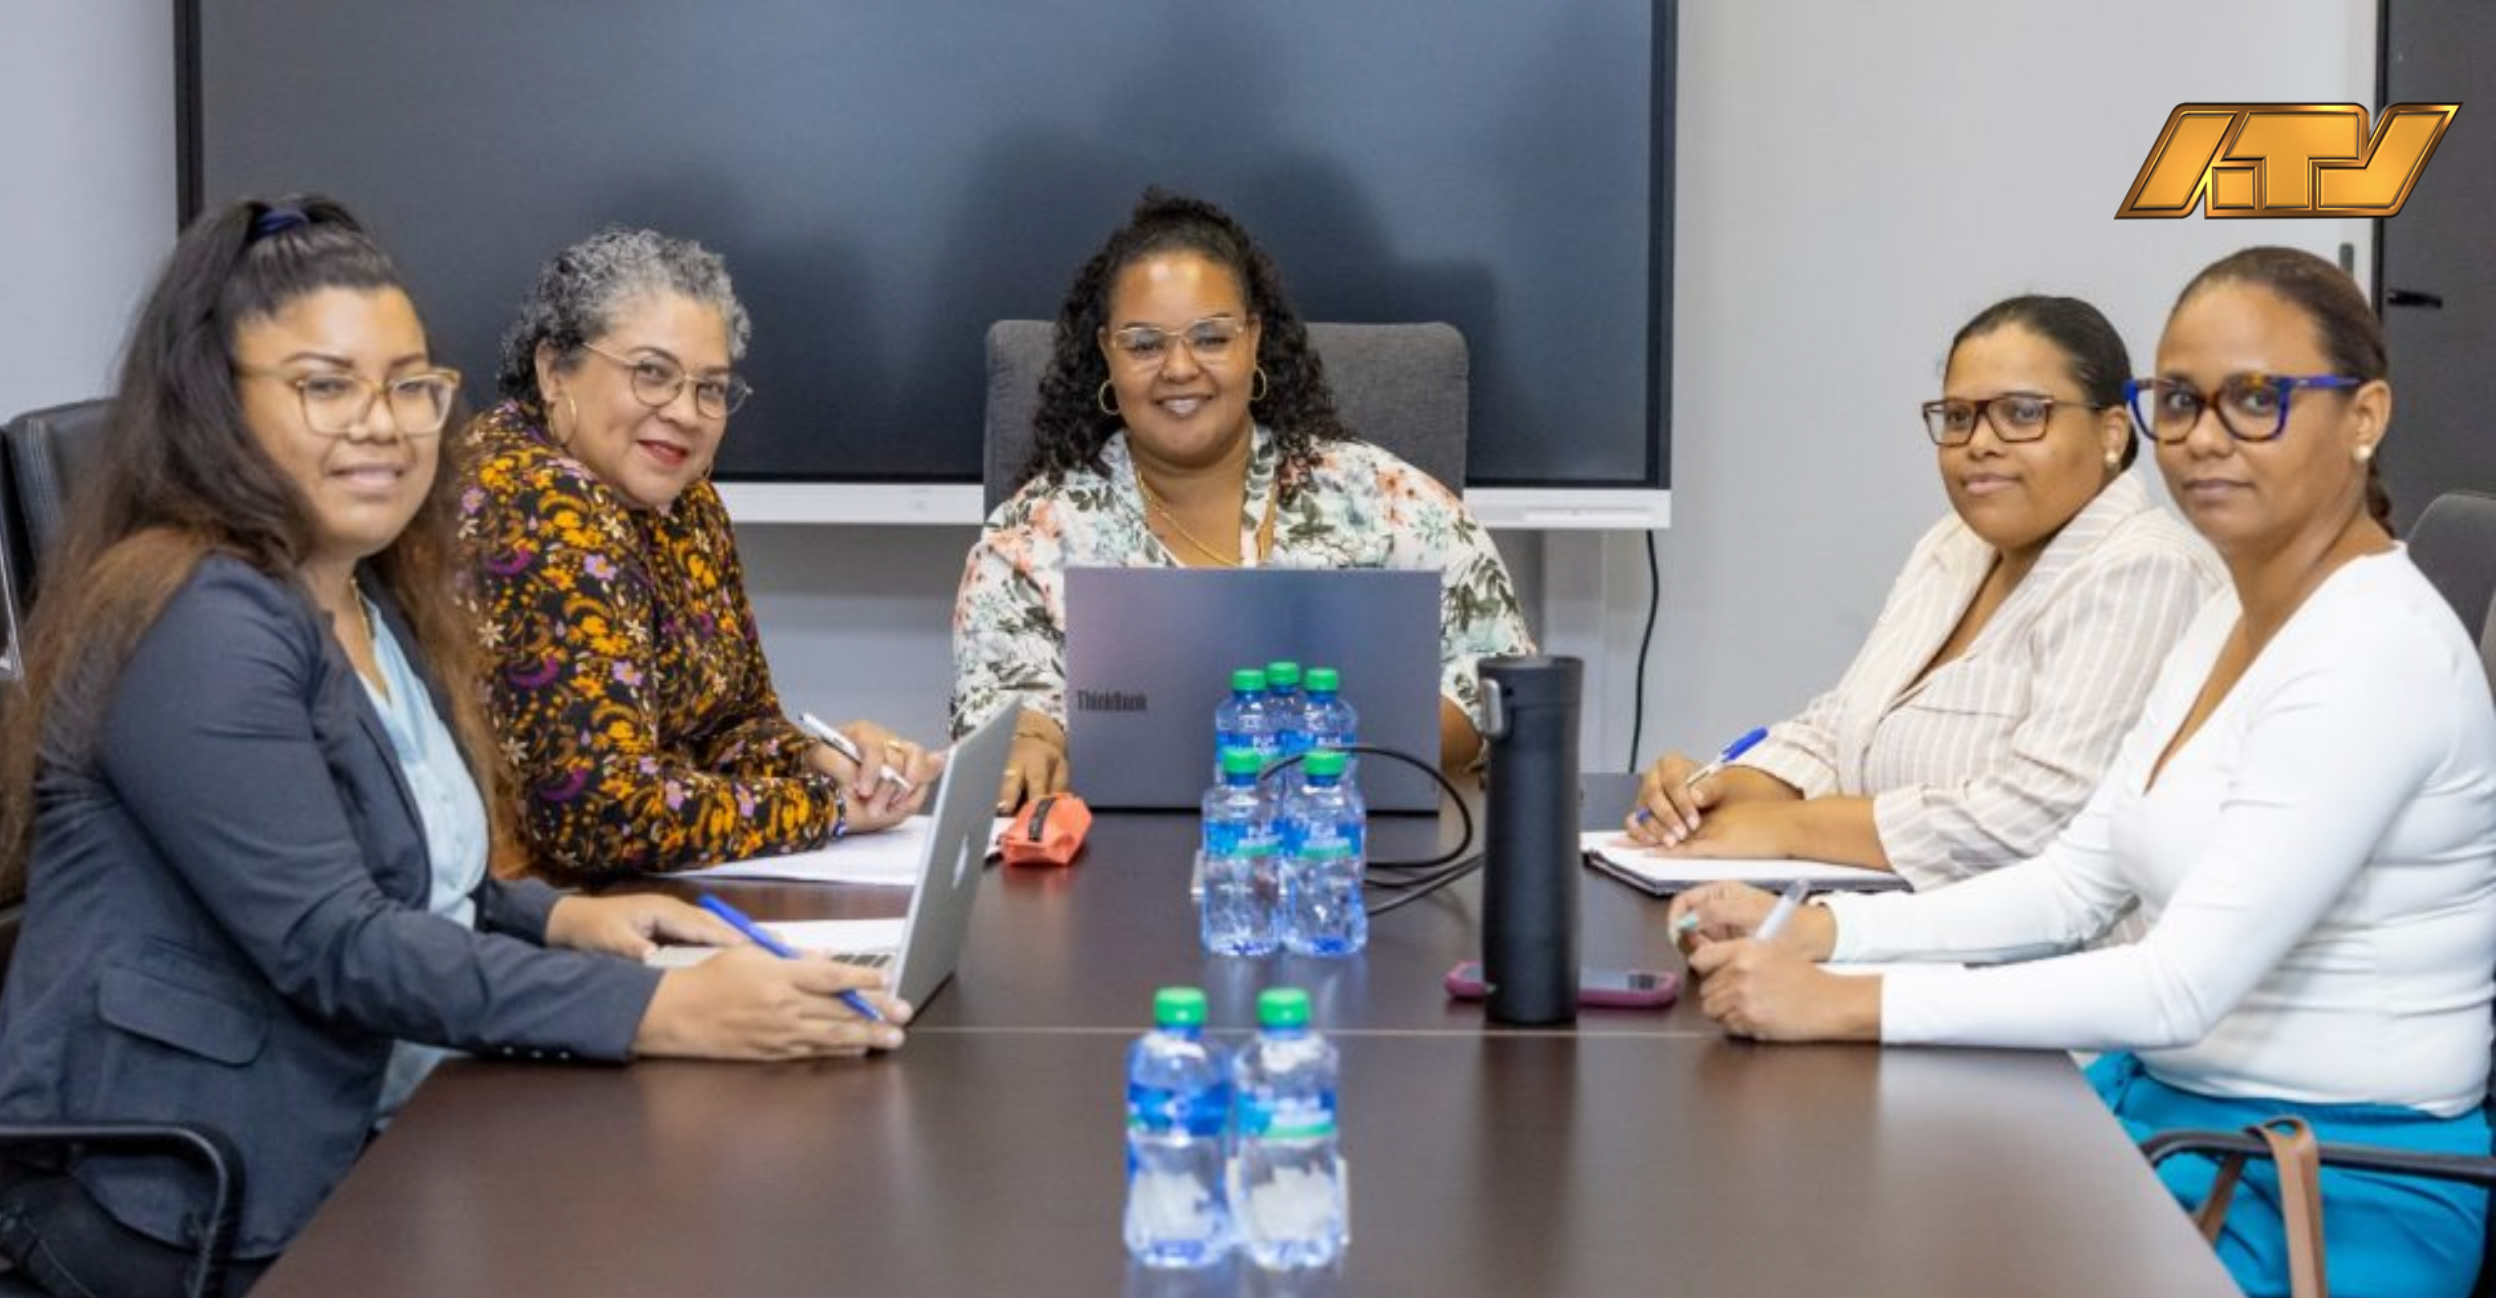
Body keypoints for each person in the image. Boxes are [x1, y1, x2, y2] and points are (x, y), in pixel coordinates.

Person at [0, 197, 909, 1298]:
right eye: (326, 386)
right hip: (189, 1183)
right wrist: (661, 1010)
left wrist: (562, 921)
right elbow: (340, 942)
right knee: (672, 1271)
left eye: (411, 387)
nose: (384, 426)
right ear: (216, 402)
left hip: (364, 1101)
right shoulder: (198, 620)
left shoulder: (363, 584)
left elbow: (401, 865)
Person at [1674, 247, 2494, 1298]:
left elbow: (2178, 988)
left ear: (2364, 417)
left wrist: (1847, 1003)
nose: (2205, 437)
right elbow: (2073, 881)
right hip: (2174, 1129)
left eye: (2257, 399)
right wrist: (1827, 934)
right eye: (2180, 401)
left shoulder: (2372, 651)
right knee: (1826, 1215)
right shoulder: (2236, 608)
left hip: (2328, 1215)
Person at [951, 189, 1535, 810]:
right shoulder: (1031, 535)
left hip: (1353, 845)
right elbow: (1004, 711)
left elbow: (1498, 677)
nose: (1179, 368)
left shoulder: (1381, 498)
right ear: (1107, 354)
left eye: (1210, 338)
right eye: (1145, 344)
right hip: (1109, 855)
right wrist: (1027, 744)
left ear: (1253, 339)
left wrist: (1333, 750)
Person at [1630, 296, 2221, 888]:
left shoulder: (2148, 571)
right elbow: (1843, 727)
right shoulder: (1952, 547)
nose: (1979, 443)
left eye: (2021, 414)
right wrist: (1731, 787)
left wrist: (1788, 826)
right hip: (1895, 923)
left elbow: (2038, 819)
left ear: (2111, 432)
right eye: (1959, 418)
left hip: (2052, 945)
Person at [458, 226, 942, 881]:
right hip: (533, 906)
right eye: (651, 374)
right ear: (553, 370)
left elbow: (732, 723)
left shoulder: (687, 502)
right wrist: (827, 807)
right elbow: (606, 814)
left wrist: (820, 759)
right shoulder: (538, 497)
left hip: (651, 883)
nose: (686, 413)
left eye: (710, 388)